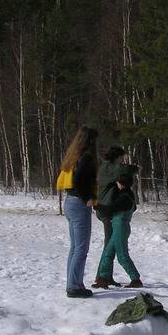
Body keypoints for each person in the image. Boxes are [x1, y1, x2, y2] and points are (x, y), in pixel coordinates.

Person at [58, 126, 98, 298]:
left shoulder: (73, 156)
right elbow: (79, 178)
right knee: (81, 248)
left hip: (69, 202)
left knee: (75, 248)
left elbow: (74, 178)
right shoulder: (87, 157)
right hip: (79, 204)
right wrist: (87, 196)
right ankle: (74, 287)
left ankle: (73, 283)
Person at [92, 146, 138, 287]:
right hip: (107, 211)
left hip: (109, 210)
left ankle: (106, 276)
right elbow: (124, 170)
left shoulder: (108, 168)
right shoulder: (109, 167)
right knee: (109, 246)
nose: (122, 161)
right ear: (116, 157)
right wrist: (135, 168)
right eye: (121, 158)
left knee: (110, 245)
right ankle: (102, 277)